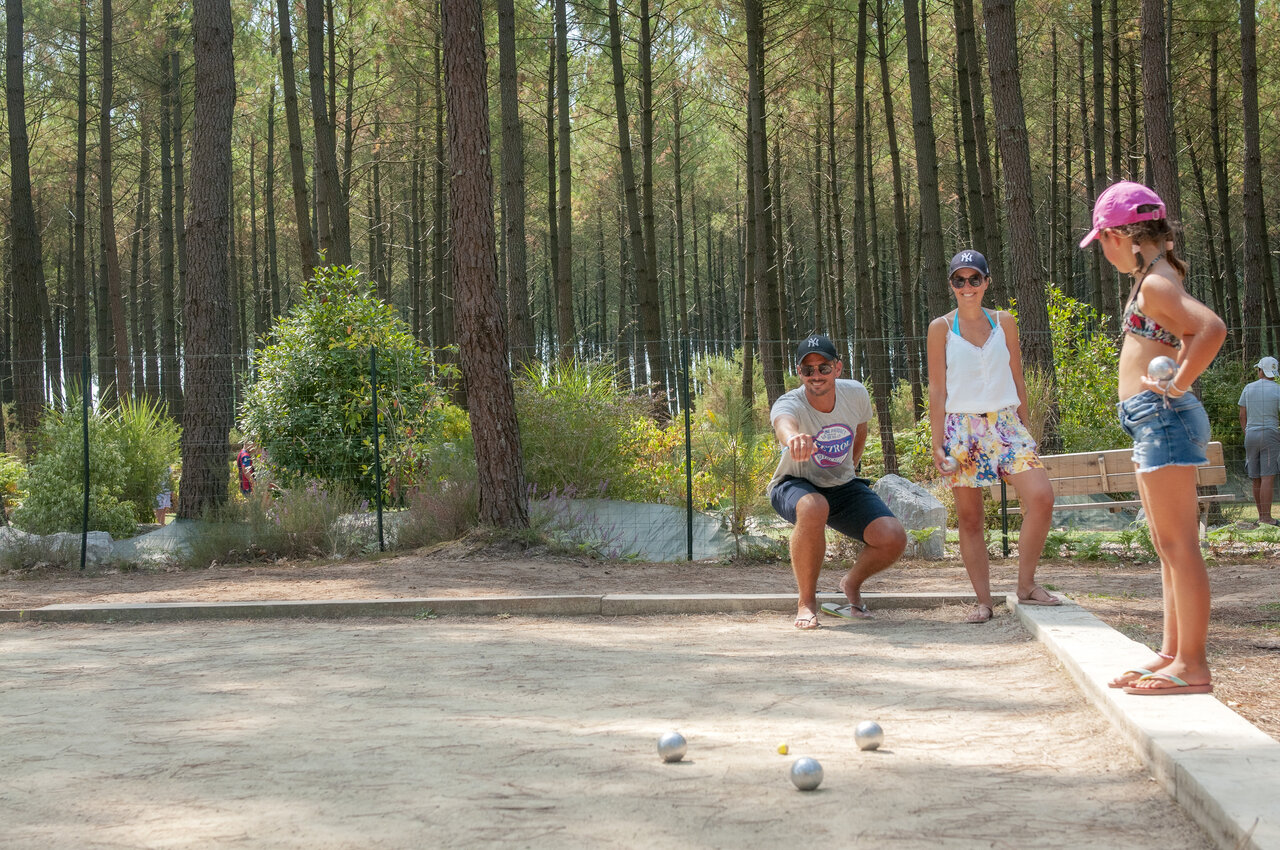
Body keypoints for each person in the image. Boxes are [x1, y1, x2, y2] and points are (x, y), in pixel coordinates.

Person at [1080, 180, 1226, 695]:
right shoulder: (1158, 275)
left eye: (1102, 241)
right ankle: (1171, 654)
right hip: (1152, 418)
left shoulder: (1155, 284)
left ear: (1120, 236)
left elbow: (1210, 329)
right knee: (1168, 545)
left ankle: (1193, 666)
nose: (1103, 252)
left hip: (1163, 417)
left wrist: (1178, 384)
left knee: (1180, 545)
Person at [926, 250, 1059, 623]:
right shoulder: (941, 328)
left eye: (974, 279)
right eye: (959, 280)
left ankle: (1026, 586)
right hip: (962, 429)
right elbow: (937, 389)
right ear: (952, 284)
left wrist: (1025, 426)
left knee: (1042, 498)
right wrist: (937, 443)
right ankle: (983, 602)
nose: (967, 287)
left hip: (1006, 425)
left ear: (987, 282)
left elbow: (1017, 375)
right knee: (971, 520)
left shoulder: (1005, 321)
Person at [768, 334, 908, 629]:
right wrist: (794, 438)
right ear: (799, 372)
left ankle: (851, 584)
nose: (816, 375)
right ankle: (806, 603)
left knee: (893, 537)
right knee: (813, 506)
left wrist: (850, 469)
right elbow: (783, 423)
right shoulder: (789, 403)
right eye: (808, 369)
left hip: (842, 485)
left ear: (838, 368)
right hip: (794, 483)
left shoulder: (855, 393)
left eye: (824, 367)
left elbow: (860, 429)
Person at [1238, 356, 1280, 526]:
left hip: (1251, 435)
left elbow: (1242, 415)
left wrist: (1246, 431)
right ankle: (1267, 518)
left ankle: (1260, 516)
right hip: (1270, 434)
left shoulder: (1248, 388)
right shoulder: (1277, 389)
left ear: (1261, 371)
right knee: (1267, 477)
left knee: (1255, 477)